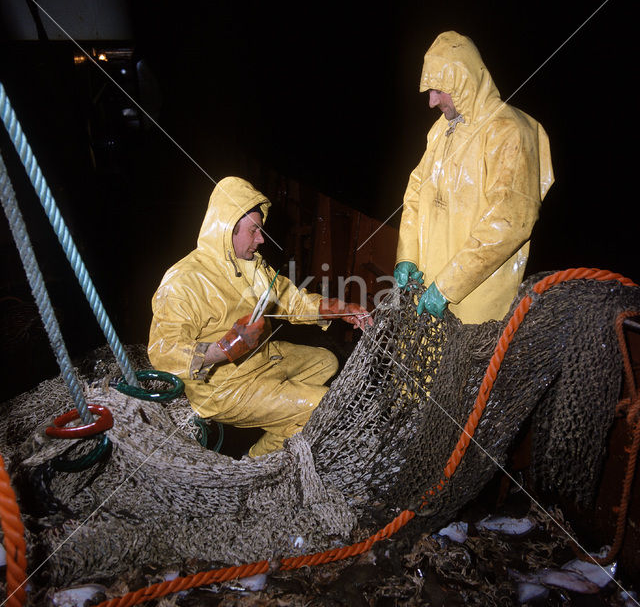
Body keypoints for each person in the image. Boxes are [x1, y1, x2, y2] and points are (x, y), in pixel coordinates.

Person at [148, 176, 372, 457]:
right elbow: (163, 353)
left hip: (260, 358)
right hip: (221, 387)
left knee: (326, 362)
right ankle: (254, 464)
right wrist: (226, 347)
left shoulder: (252, 265)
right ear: (228, 229)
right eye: (254, 231)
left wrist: (340, 309)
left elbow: (291, 300)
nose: (261, 239)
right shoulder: (183, 282)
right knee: (323, 406)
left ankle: (285, 420)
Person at [395, 31, 555, 324]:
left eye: (438, 90)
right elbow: (416, 191)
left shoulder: (510, 132)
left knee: (461, 367)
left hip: (474, 304)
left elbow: (509, 223)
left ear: (463, 80)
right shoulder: (440, 131)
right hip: (425, 287)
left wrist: (447, 286)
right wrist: (407, 254)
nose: (431, 102)